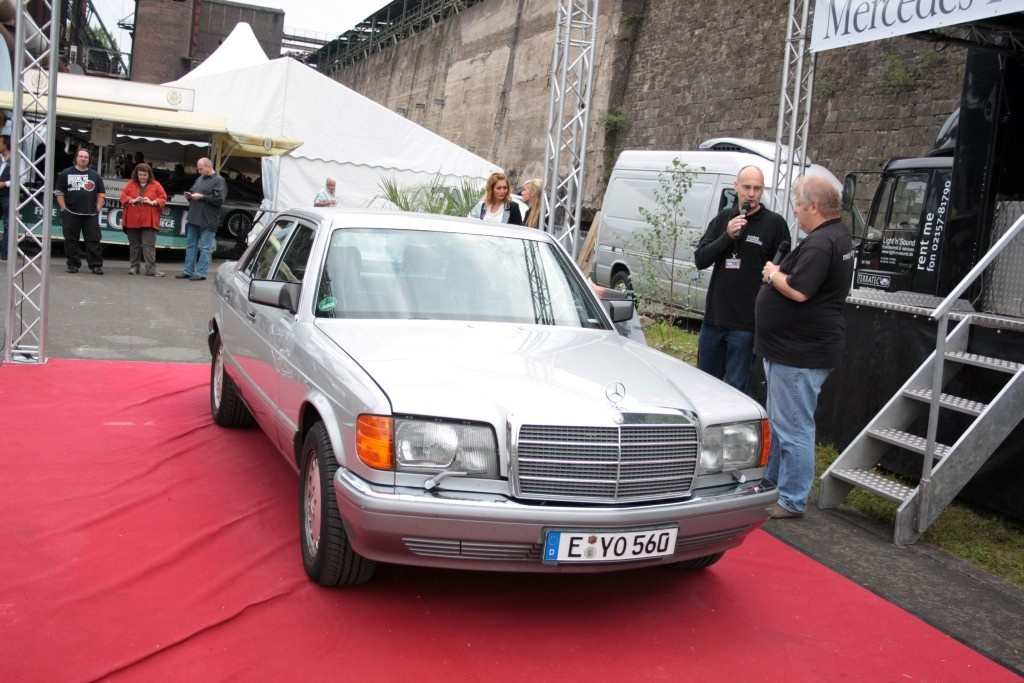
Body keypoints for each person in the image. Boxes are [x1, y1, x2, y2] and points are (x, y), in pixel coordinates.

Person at [755, 175, 854, 519]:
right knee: (781, 423)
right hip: (794, 348)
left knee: (794, 427)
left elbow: (799, 290)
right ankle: (772, 483)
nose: (795, 211)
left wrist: (772, 274)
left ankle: (791, 498)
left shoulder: (821, 244)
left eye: (798, 204)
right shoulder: (836, 235)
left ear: (814, 206)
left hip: (799, 352)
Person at [694, 166, 789, 393]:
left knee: (735, 389)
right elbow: (701, 259)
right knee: (704, 385)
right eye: (746, 187)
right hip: (714, 319)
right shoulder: (723, 219)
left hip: (746, 324)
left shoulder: (774, 223)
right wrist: (726, 236)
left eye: (757, 188)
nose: (751, 194)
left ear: (762, 190)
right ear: (736, 186)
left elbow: (783, 271)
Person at [55, 147, 106, 275]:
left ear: (89, 160)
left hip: (90, 214)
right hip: (71, 213)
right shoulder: (66, 173)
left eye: (86, 157)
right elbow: (59, 193)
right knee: (71, 240)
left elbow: (101, 195)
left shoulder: (95, 176)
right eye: (81, 156)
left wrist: (98, 208)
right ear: (76, 158)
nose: (83, 159)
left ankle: (95, 265)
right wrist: (64, 208)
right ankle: (73, 264)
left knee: (94, 240)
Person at [175, 157, 226, 282]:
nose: (199, 171)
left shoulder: (219, 180)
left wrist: (202, 197)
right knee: (191, 245)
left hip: (208, 219)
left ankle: (201, 273)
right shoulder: (200, 179)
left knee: (204, 247)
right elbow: (194, 192)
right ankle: (188, 271)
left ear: (209, 166)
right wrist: (190, 196)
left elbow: (219, 199)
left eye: (201, 169)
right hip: (194, 217)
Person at [119, 162, 168, 277]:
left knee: (148, 245)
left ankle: (151, 269)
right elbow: (123, 197)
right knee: (134, 245)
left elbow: (163, 197)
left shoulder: (156, 185)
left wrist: (152, 202)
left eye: (145, 175)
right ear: (136, 174)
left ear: (149, 174)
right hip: (132, 219)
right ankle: (134, 267)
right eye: (140, 174)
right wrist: (133, 200)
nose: (142, 177)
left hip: (149, 220)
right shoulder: (130, 184)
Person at [0, 135, 11, 260]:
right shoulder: (0, 159)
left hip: (7, 195)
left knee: (8, 224)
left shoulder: (17, 159)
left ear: (5, 144)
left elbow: (22, 179)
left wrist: (5, 184)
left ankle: (4, 252)